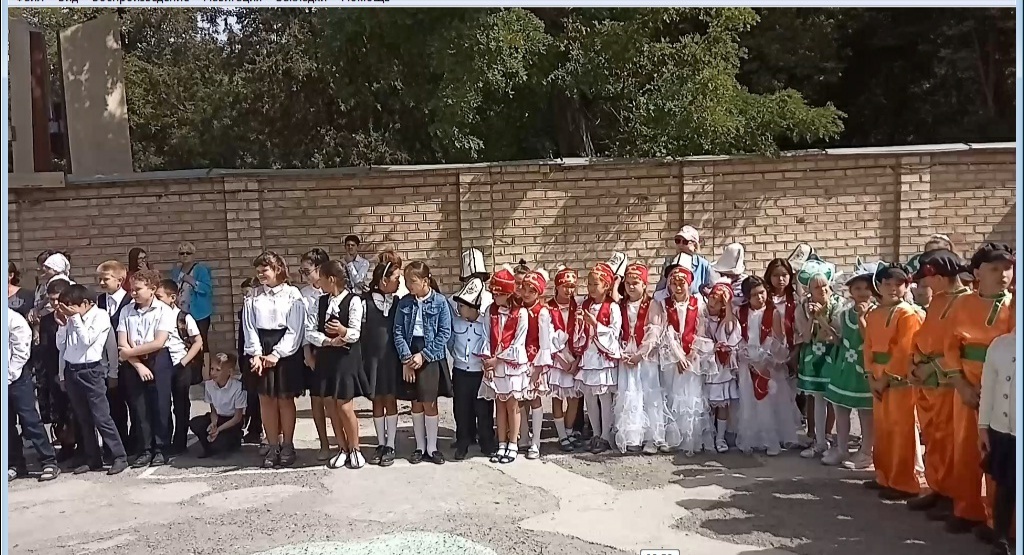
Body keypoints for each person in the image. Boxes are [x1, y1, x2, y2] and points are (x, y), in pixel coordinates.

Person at [943, 243, 1015, 536]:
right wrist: (961, 384)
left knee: (998, 456)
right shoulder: (962, 304)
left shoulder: (1015, 305)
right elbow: (949, 347)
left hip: (1002, 390)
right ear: (977, 273)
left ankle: (1000, 523)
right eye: (994, 269)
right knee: (965, 450)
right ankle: (967, 510)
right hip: (966, 386)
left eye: (1008, 268)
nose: (1003, 275)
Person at [908, 249, 971, 516]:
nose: (924, 285)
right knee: (933, 437)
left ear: (939, 276)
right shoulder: (938, 300)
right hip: (926, 378)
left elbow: (962, 345)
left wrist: (932, 367)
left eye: (926, 279)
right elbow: (925, 334)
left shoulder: (966, 301)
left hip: (946, 379)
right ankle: (937, 486)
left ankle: (952, 493)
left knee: (948, 439)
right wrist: (914, 361)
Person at [863, 263, 924, 500]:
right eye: (887, 283)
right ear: (878, 286)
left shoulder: (908, 313)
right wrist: (870, 375)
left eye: (899, 284)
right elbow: (867, 345)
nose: (893, 288)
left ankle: (903, 481)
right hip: (878, 376)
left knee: (901, 431)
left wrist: (886, 377)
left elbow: (904, 348)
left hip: (898, 380)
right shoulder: (874, 313)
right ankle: (884, 475)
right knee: (883, 429)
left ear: (907, 286)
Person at [242, 251, 306, 468]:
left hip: (285, 351)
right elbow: (249, 327)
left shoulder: (292, 295)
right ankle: (272, 445)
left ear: (277, 269)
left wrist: (276, 354)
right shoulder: (253, 296)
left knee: (284, 400)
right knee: (265, 399)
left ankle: (287, 444)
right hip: (261, 348)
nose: (260, 274)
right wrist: (256, 354)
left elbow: (295, 329)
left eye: (265, 270)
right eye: (258, 271)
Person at [57, 284, 129, 475]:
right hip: (72, 369)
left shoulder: (100, 316)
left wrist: (75, 319)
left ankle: (119, 456)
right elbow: (61, 346)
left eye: (71, 305)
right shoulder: (71, 319)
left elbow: (87, 339)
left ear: (86, 303)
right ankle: (93, 458)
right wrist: (63, 325)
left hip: (92, 371)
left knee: (102, 417)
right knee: (83, 418)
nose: (68, 310)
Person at [305, 260, 369, 469]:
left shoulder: (354, 301)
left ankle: (355, 448)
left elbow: (355, 333)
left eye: (321, 278)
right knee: (330, 404)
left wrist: (342, 331)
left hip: (346, 358)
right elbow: (310, 331)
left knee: (344, 404)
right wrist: (327, 341)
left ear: (331, 279)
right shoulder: (320, 302)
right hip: (326, 357)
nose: (319, 283)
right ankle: (342, 448)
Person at [394, 261, 453, 465]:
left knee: (430, 402)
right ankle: (419, 446)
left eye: (413, 281)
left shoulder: (440, 302)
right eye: (406, 281)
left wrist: (424, 355)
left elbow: (444, 333)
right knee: (416, 402)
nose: (408, 285)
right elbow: (398, 332)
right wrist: (406, 359)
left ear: (425, 281)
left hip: (431, 357)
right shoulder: (404, 303)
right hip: (410, 353)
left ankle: (432, 447)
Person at [117, 270, 177, 468]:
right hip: (134, 363)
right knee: (139, 407)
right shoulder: (126, 311)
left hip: (157, 359)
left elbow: (158, 342)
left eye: (138, 289)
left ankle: (161, 448)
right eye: (131, 289)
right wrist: (138, 364)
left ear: (152, 289)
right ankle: (145, 449)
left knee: (160, 405)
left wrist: (129, 353)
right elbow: (122, 342)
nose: (133, 293)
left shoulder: (164, 310)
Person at [735, 276, 799, 456]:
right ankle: (753, 438)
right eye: (755, 295)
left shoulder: (773, 313)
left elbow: (778, 340)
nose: (760, 297)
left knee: (770, 401)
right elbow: (738, 337)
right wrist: (748, 357)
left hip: (767, 363)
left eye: (762, 293)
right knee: (750, 399)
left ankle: (772, 439)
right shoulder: (741, 312)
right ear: (747, 297)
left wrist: (766, 359)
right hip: (748, 361)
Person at [823, 263, 878, 469]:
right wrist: (829, 332)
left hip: (864, 368)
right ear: (850, 291)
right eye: (857, 288)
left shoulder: (876, 313)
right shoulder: (844, 314)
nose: (862, 292)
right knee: (841, 407)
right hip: (845, 366)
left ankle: (866, 451)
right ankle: (842, 448)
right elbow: (841, 339)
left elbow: (870, 337)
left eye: (866, 288)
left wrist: (862, 317)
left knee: (865, 410)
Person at [476, 267, 529, 464]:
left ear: (507, 293)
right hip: (495, 365)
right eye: (493, 293)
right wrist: (488, 363)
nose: (494, 297)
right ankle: (501, 444)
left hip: (512, 365)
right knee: (499, 405)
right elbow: (485, 336)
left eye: (497, 294)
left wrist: (497, 360)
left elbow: (518, 343)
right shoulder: (490, 311)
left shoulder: (521, 313)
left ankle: (513, 444)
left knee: (513, 405)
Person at [612, 262, 666, 454]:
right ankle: (632, 435)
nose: (631, 287)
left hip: (645, 355)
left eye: (635, 283)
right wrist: (622, 352)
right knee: (630, 391)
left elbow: (654, 331)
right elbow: (616, 330)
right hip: (627, 353)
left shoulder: (652, 304)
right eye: (628, 283)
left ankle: (652, 437)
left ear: (644, 284)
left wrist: (640, 354)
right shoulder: (620, 305)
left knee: (648, 393)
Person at [660, 260, 713, 455]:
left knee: (691, 397)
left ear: (689, 283)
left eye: (682, 283)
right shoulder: (664, 305)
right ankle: (673, 438)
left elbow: (701, 330)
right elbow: (666, 332)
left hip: (692, 357)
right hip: (672, 357)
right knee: (672, 394)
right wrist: (677, 356)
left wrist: (691, 354)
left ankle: (692, 437)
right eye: (674, 283)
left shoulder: (698, 304)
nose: (678, 286)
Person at [794, 261, 843, 459]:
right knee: (817, 399)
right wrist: (812, 318)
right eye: (817, 287)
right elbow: (806, 338)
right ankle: (819, 441)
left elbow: (836, 336)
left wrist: (821, 318)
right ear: (809, 290)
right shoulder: (802, 308)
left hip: (833, 355)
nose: (822, 290)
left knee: (836, 400)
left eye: (825, 286)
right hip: (813, 357)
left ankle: (835, 441)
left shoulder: (838, 305)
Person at [573, 262, 622, 454]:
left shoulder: (612, 307)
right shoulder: (585, 305)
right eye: (589, 284)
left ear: (606, 285)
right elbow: (578, 331)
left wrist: (595, 325)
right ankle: (595, 433)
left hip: (603, 358)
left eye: (596, 284)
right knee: (590, 397)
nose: (592, 288)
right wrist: (580, 324)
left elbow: (614, 333)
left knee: (604, 396)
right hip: (589, 356)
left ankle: (606, 436)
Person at [8, 308, 60, 482]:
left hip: (16, 377)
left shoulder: (13, 320)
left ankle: (48, 461)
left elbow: (21, 352)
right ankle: (15, 464)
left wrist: (9, 375)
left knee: (29, 420)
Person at [362, 251, 405, 467]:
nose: (399, 282)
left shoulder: (397, 302)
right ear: (383, 281)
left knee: (390, 399)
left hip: (392, 359)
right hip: (372, 359)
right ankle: (380, 442)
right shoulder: (365, 302)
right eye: (396, 278)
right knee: (377, 400)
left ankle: (390, 444)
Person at [155, 280, 205, 455]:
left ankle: (180, 440)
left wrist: (184, 361)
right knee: (162, 403)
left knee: (181, 404)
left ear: (172, 298)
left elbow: (198, 341)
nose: (156, 300)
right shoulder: (154, 316)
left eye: (159, 297)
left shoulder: (183, 317)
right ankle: (164, 440)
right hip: (161, 364)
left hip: (180, 364)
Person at [978, 330, 1016, 555]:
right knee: (1005, 487)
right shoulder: (1000, 345)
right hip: (1003, 430)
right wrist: (983, 425)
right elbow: (989, 389)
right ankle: (1000, 538)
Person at [449, 277, 495, 461]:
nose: (459, 309)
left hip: (479, 373)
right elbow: (451, 343)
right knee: (461, 409)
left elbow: (488, 343)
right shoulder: (456, 323)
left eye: (462, 306)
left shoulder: (484, 323)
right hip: (461, 372)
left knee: (483, 410)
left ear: (473, 308)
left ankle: (487, 443)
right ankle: (463, 442)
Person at [95, 260, 135, 456]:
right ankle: (116, 446)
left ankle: (135, 444)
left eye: (106, 279)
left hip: (128, 360)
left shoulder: (130, 302)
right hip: (107, 362)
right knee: (113, 406)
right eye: (100, 279)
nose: (102, 283)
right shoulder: (99, 302)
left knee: (133, 405)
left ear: (120, 280)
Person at [38, 279, 79, 463]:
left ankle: (84, 446)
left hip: (74, 368)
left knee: (77, 412)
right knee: (60, 412)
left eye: (58, 299)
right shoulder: (47, 320)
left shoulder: (76, 317)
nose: (55, 303)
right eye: (51, 299)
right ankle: (66, 445)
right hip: (54, 371)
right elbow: (45, 349)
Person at [298, 248, 332, 462]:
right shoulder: (303, 295)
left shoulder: (336, 291)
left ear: (320, 269)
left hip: (336, 349)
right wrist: (307, 353)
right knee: (317, 398)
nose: (304, 275)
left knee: (337, 400)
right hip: (314, 350)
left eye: (307, 271)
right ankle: (324, 443)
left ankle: (345, 443)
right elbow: (303, 327)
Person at [518, 268, 554, 460]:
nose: (526, 293)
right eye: (524, 289)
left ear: (538, 293)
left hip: (535, 362)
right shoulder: (518, 308)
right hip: (519, 361)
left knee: (535, 399)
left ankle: (536, 442)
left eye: (531, 291)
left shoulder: (542, 312)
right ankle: (524, 435)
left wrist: (539, 369)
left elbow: (545, 343)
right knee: (520, 399)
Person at [547, 266, 584, 451]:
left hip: (574, 358)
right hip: (557, 360)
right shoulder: (548, 308)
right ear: (557, 286)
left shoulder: (578, 306)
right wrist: (562, 360)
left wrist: (576, 361)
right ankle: (562, 435)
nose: (569, 290)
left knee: (574, 398)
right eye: (565, 286)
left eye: (572, 286)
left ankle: (569, 432)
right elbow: (547, 336)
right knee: (557, 397)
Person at [703, 283, 741, 453]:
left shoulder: (727, 319)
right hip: (706, 363)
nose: (714, 303)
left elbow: (730, 329)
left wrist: (728, 305)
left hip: (722, 367)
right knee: (708, 404)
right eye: (712, 297)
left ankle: (720, 437)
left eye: (719, 301)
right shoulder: (701, 316)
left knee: (722, 404)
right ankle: (708, 435)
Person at [169, 242, 214, 376]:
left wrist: (192, 281)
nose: (185, 255)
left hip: (199, 313)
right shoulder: (176, 271)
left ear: (193, 255)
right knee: (185, 342)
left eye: (188, 253)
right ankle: (191, 372)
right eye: (181, 253)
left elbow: (207, 289)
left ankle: (205, 374)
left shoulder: (200, 270)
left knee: (201, 341)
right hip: (182, 313)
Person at [190, 352, 246, 458]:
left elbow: (237, 417)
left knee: (221, 444)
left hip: (232, 421)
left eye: (218, 370)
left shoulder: (238, 387)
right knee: (196, 423)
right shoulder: (209, 385)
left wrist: (219, 429)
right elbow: (213, 410)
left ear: (229, 372)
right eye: (212, 369)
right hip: (219, 418)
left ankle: (233, 441)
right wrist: (214, 424)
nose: (213, 373)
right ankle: (210, 444)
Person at [236, 277, 262, 445]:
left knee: (257, 397)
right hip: (246, 359)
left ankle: (257, 429)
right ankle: (252, 428)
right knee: (250, 396)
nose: (245, 297)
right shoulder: (244, 311)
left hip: (257, 358)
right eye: (243, 294)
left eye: (248, 293)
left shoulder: (258, 312)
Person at [656, 226, 713, 296]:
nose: (680, 245)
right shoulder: (669, 263)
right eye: (678, 241)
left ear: (694, 244)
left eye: (685, 242)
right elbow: (660, 289)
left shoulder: (703, 265)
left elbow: (712, 291)